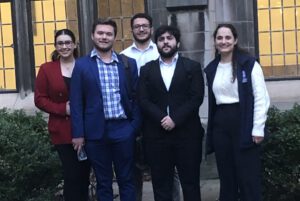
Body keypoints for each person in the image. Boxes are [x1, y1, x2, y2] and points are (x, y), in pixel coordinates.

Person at [70, 18, 141, 201]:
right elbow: (76, 102)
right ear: (93, 36)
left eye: (108, 34)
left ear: (114, 37)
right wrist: (78, 133)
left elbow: (136, 97)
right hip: (95, 132)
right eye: (100, 33)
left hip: (123, 130)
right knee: (103, 181)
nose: (104, 37)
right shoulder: (82, 65)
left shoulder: (127, 64)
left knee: (127, 179)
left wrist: (133, 127)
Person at [138, 25, 205, 201]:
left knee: (190, 184)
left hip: (187, 135)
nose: (165, 42)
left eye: (169, 38)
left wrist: (174, 119)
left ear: (177, 42)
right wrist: (162, 119)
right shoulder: (146, 70)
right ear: (157, 43)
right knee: (161, 186)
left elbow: (196, 98)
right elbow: (143, 100)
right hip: (157, 136)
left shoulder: (192, 67)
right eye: (161, 39)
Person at [204, 23, 270, 201]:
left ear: (235, 40)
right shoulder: (211, 69)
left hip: (243, 122)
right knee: (227, 178)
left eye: (227, 38)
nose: (223, 41)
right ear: (215, 41)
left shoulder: (249, 64)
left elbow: (261, 97)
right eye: (219, 38)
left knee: (248, 178)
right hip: (221, 125)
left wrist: (258, 128)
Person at [121, 13, 181, 201]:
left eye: (145, 25)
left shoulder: (163, 50)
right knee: (132, 170)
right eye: (137, 26)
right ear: (132, 30)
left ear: (151, 29)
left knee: (168, 170)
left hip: (161, 118)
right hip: (133, 119)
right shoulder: (123, 57)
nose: (141, 29)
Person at [34, 29, 90, 201]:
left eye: (67, 42)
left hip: (87, 129)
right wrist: (62, 109)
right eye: (60, 43)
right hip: (62, 130)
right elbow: (40, 99)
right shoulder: (46, 69)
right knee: (72, 175)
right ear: (55, 46)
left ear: (74, 45)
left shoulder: (85, 65)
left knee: (84, 176)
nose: (64, 46)